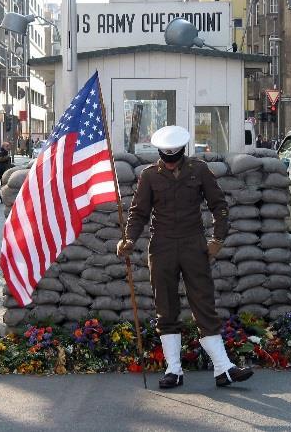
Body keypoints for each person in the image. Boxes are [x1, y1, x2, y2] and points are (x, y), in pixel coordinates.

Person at [117, 125, 254, 389]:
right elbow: (138, 213)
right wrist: (130, 239)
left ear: (182, 153)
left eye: (174, 158)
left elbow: (219, 205)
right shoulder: (149, 176)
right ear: (160, 155)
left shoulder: (199, 170)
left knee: (203, 302)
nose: (169, 164)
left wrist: (218, 239)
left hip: (193, 244)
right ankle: (174, 370)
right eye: (165, 159)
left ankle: (223, 368)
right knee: (165, 307)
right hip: (162, 246)